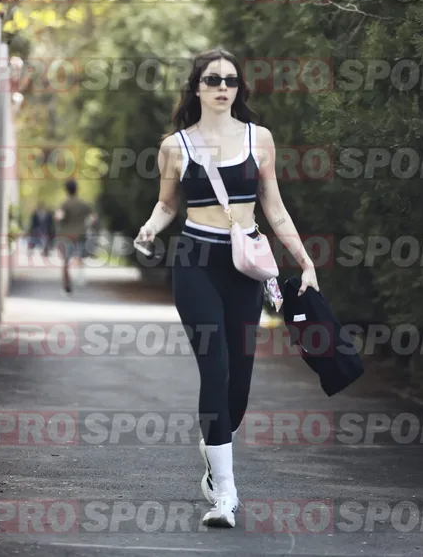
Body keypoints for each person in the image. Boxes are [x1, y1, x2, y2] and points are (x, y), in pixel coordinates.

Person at [135, 48, 319, 528]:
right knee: (214, 370)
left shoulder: (260, 139)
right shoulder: (176, 146)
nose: (222, 87)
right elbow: (167, 204)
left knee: (239, 380)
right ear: (196, 87)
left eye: (231, 80)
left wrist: (304, 261)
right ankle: (225, 493)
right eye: (213, 79)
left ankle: (214, 447)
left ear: (239, 88)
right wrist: (150, 229)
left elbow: (274, 207)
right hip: (195, 261)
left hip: (244, 267)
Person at [55, 179, 96, 295]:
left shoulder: (65, 204)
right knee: (79, 255)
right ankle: (80, 273)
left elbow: (58, 217)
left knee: (66, 261)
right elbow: (93, 218)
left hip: (67, 235)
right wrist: (86, 226)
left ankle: (67, 286)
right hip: (81, 235)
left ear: (66, 190)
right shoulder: (83, 204)